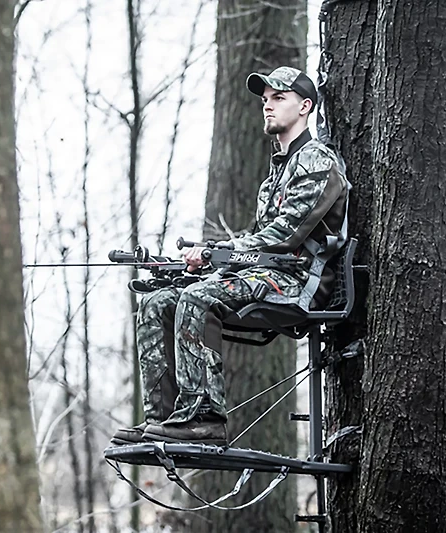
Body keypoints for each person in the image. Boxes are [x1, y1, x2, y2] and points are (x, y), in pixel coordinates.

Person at [110, 66, 349, 447]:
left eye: (278, 98)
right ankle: (164, 422)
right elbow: (259, 243)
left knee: (197, 297)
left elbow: (285, 236)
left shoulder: (318, 160)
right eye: (265, 100)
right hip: (268, 275)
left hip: (299, 282)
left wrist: (220, 253)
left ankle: (204, 420)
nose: (268, 107)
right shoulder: (276, 175)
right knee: (157, 301)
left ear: (305, 106)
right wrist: (209, 259)